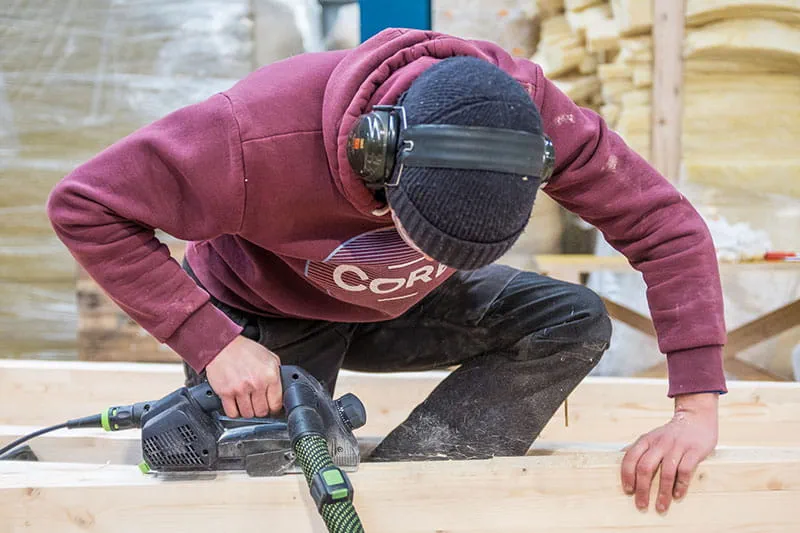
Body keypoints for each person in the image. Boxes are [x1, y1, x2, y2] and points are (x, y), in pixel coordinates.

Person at [46, 28, 726, 515]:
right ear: (376, 158)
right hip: (267, 314)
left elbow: (667, 227)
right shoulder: (254, 136)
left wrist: (695, 408)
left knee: (570, 321)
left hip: (403, 299)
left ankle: (421, 487)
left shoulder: (533, 117)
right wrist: (213, 343)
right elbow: (86, 204)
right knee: (269, 488)